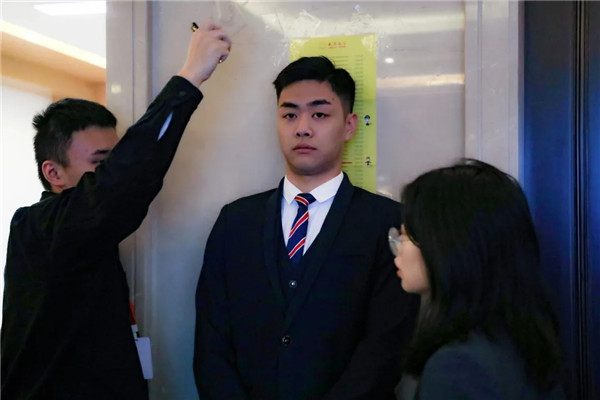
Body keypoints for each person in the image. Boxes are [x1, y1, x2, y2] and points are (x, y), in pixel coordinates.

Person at [1, 20, 231, 399]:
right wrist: (190, 76)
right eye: (99, 163)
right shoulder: (39, 227)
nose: (110, 172)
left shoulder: (79, 230)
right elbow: (124, 180)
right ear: (53, 172)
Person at [194, 56, 420, 399]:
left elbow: (387, 346)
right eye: (289, 115)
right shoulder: (235, 221)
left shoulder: (387, 222)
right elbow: (211, 341)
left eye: (319, 114)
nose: (302, 128)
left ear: (349, 126)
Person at [389, 159, 564, 399]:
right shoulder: (520, 340)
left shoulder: (458, 367)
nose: (398, 248)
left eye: (406, 235)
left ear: (447, 246)